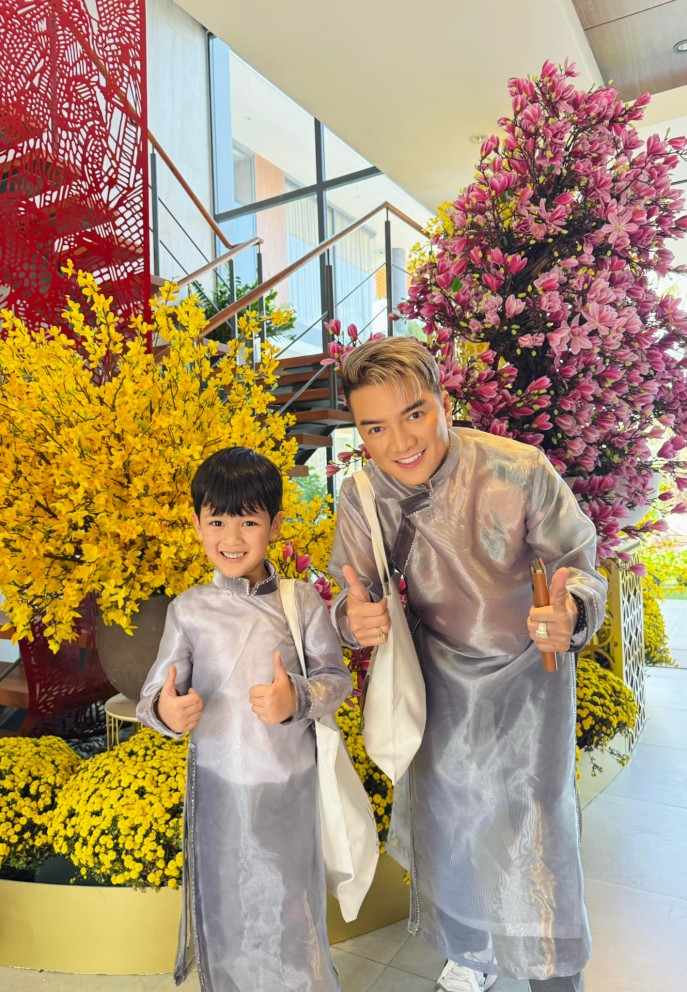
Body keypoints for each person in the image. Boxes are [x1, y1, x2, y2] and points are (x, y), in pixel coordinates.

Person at [328, 338, 607, 992]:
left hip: (529, 679)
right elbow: (352, 595)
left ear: (443, 404)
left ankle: (550, 971)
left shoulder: (517, 470)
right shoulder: (362, 495)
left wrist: (569, 608)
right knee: (452, 825)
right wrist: (352, 619)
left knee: (534, 831)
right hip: (438, 686)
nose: (400, 441)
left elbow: (577, 564)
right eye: (375, 427)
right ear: (360, 433)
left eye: (414, 414)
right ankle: (472, 950)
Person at [137, 447, 352, 992]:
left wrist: (296, 698)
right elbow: (154, 693)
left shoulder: (301, 603)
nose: (232, 537)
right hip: (218, 789)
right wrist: (167, 709)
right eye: (217, 522)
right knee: (226, 905)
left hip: (288, 784)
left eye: (249, 522)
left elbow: (336, 679)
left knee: (291, 905)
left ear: (274, 525)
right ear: (197, 525)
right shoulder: (188, 609)